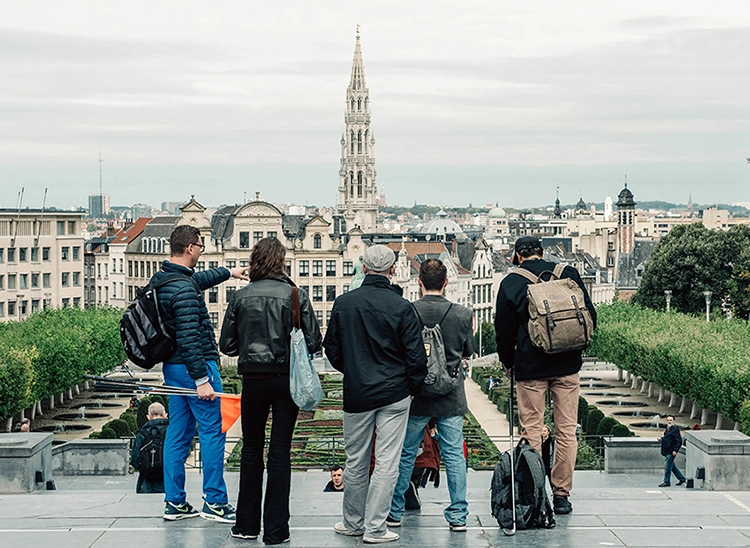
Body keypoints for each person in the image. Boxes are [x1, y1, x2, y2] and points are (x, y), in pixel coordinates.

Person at [219, 237, 321, 544]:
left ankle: (246, 525)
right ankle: (277, 530)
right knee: (280, 452)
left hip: (253, 379)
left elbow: (227, 345)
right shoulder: (294, 294)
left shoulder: (240, 296)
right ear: (281, 261)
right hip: (286, 379)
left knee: (251, 449)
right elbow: (315, 342)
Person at [323, 244, 428, 544]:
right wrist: (411, 388)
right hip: (395, 393)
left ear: (364, 268)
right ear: (392, 269)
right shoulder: (402, 307)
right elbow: (416, 357)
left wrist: (353, 370)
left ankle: (352, 523)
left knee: (354, 460)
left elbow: (332, 349)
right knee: (386, 463)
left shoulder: (344, 303)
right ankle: (376, 528)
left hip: (357, 393)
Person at [494, 236, 596, 516]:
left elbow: (503, 331)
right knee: (566, 431)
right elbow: (590, 314)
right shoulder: (568, 273)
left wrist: (507, 362)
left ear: (516, 256)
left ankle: (536, 493)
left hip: (530, 367)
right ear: (542, 252)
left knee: (532, 431)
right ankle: (562, 494)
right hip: (567, 364)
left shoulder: (512, 283)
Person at [155, 224, 248, 522]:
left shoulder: (166, 278)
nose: (201, 251)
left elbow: (198, 280)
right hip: (194, 366)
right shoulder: (183, 289)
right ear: (190, 248)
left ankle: (175, 502)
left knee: (178, 434)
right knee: (212, 431)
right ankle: (215, 501)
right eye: (200, 246)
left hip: (173, 367)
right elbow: (189, 337)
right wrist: (201, 380)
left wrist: (230, 272)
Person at [388, 259, 474, 533]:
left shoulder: (408, 311)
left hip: (418, 394)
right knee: (454, 456)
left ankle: (394, 511)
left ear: (419, 282)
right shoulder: (462, 313)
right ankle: (458, 515)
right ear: (447, 282)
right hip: (451, 394)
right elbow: (468, 351)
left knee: (406, 453)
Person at [130, 402, 169, 494]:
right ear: (165, 415)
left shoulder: (141, 433)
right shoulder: (170, 431)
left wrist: (146, 468)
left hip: (146, 482)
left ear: (148, 417)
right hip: (167, 480)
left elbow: (134, 459)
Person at [657, 415, 686, 487]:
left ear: (673, 421)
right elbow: (668, 438)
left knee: (667, 467)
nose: (669, 421)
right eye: (668, 420)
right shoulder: (668, 428)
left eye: (670, 420)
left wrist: (675, 450)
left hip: (671, 451)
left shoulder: (675, 429)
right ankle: (682, 478)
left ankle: (666, 482)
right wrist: (662, 439)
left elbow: (679, 441)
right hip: (667, 450)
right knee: (672, 466)